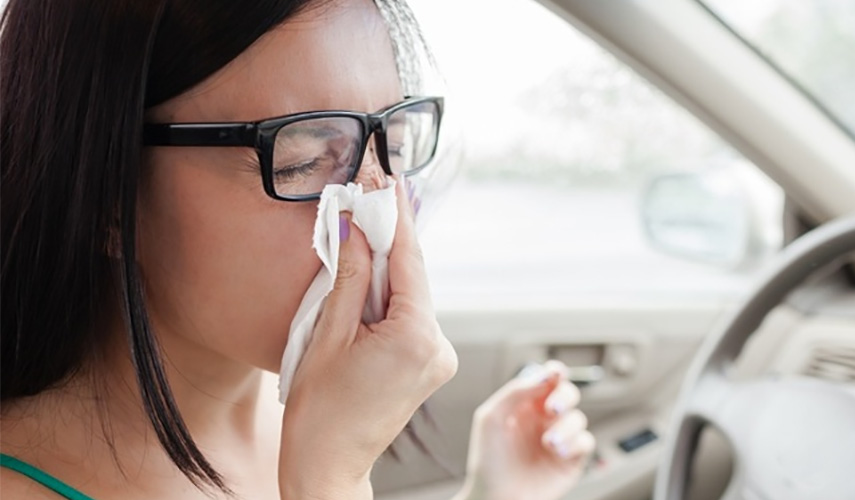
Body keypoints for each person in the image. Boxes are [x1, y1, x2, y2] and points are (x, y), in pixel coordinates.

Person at [0, 0, 596, 499]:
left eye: (390, 139)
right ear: (106, 194)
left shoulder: (305, 393)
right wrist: (329, 479)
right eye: (303, 160)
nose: (376, 211)